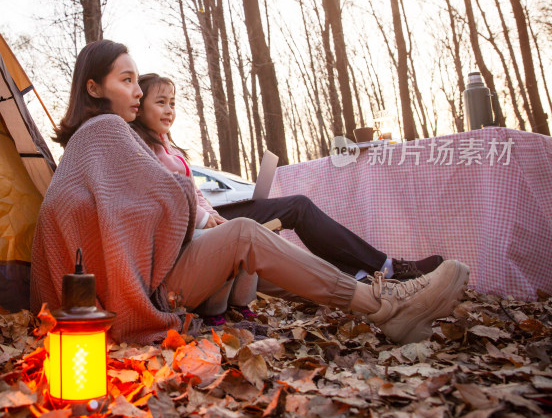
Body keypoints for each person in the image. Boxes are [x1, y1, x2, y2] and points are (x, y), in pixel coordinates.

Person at [30, 39, 469, 346]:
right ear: (94, 88)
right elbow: (172, 195)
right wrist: (198, 213)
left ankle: (386, 298)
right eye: (127, 80)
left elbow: (134, 211)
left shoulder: (89, 141)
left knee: (254, 240)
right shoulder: (106, 131)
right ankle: (386, 304)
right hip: (136, 297)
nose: (139, 90)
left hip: (120, 292)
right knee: (244, 234)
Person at [129, 73, 444, 322]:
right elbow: (170, 199)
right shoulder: (140, 149)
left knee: (293, 214)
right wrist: (206, 218)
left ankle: (376, 282)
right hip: (190, 240)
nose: (169, 109)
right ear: (139, 107)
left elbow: (195, 193)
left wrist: (213, 214)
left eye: (172, 103)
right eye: (160, 102)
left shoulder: (171, 148)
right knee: (273, 224)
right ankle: (380, 287)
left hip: (212, 220)